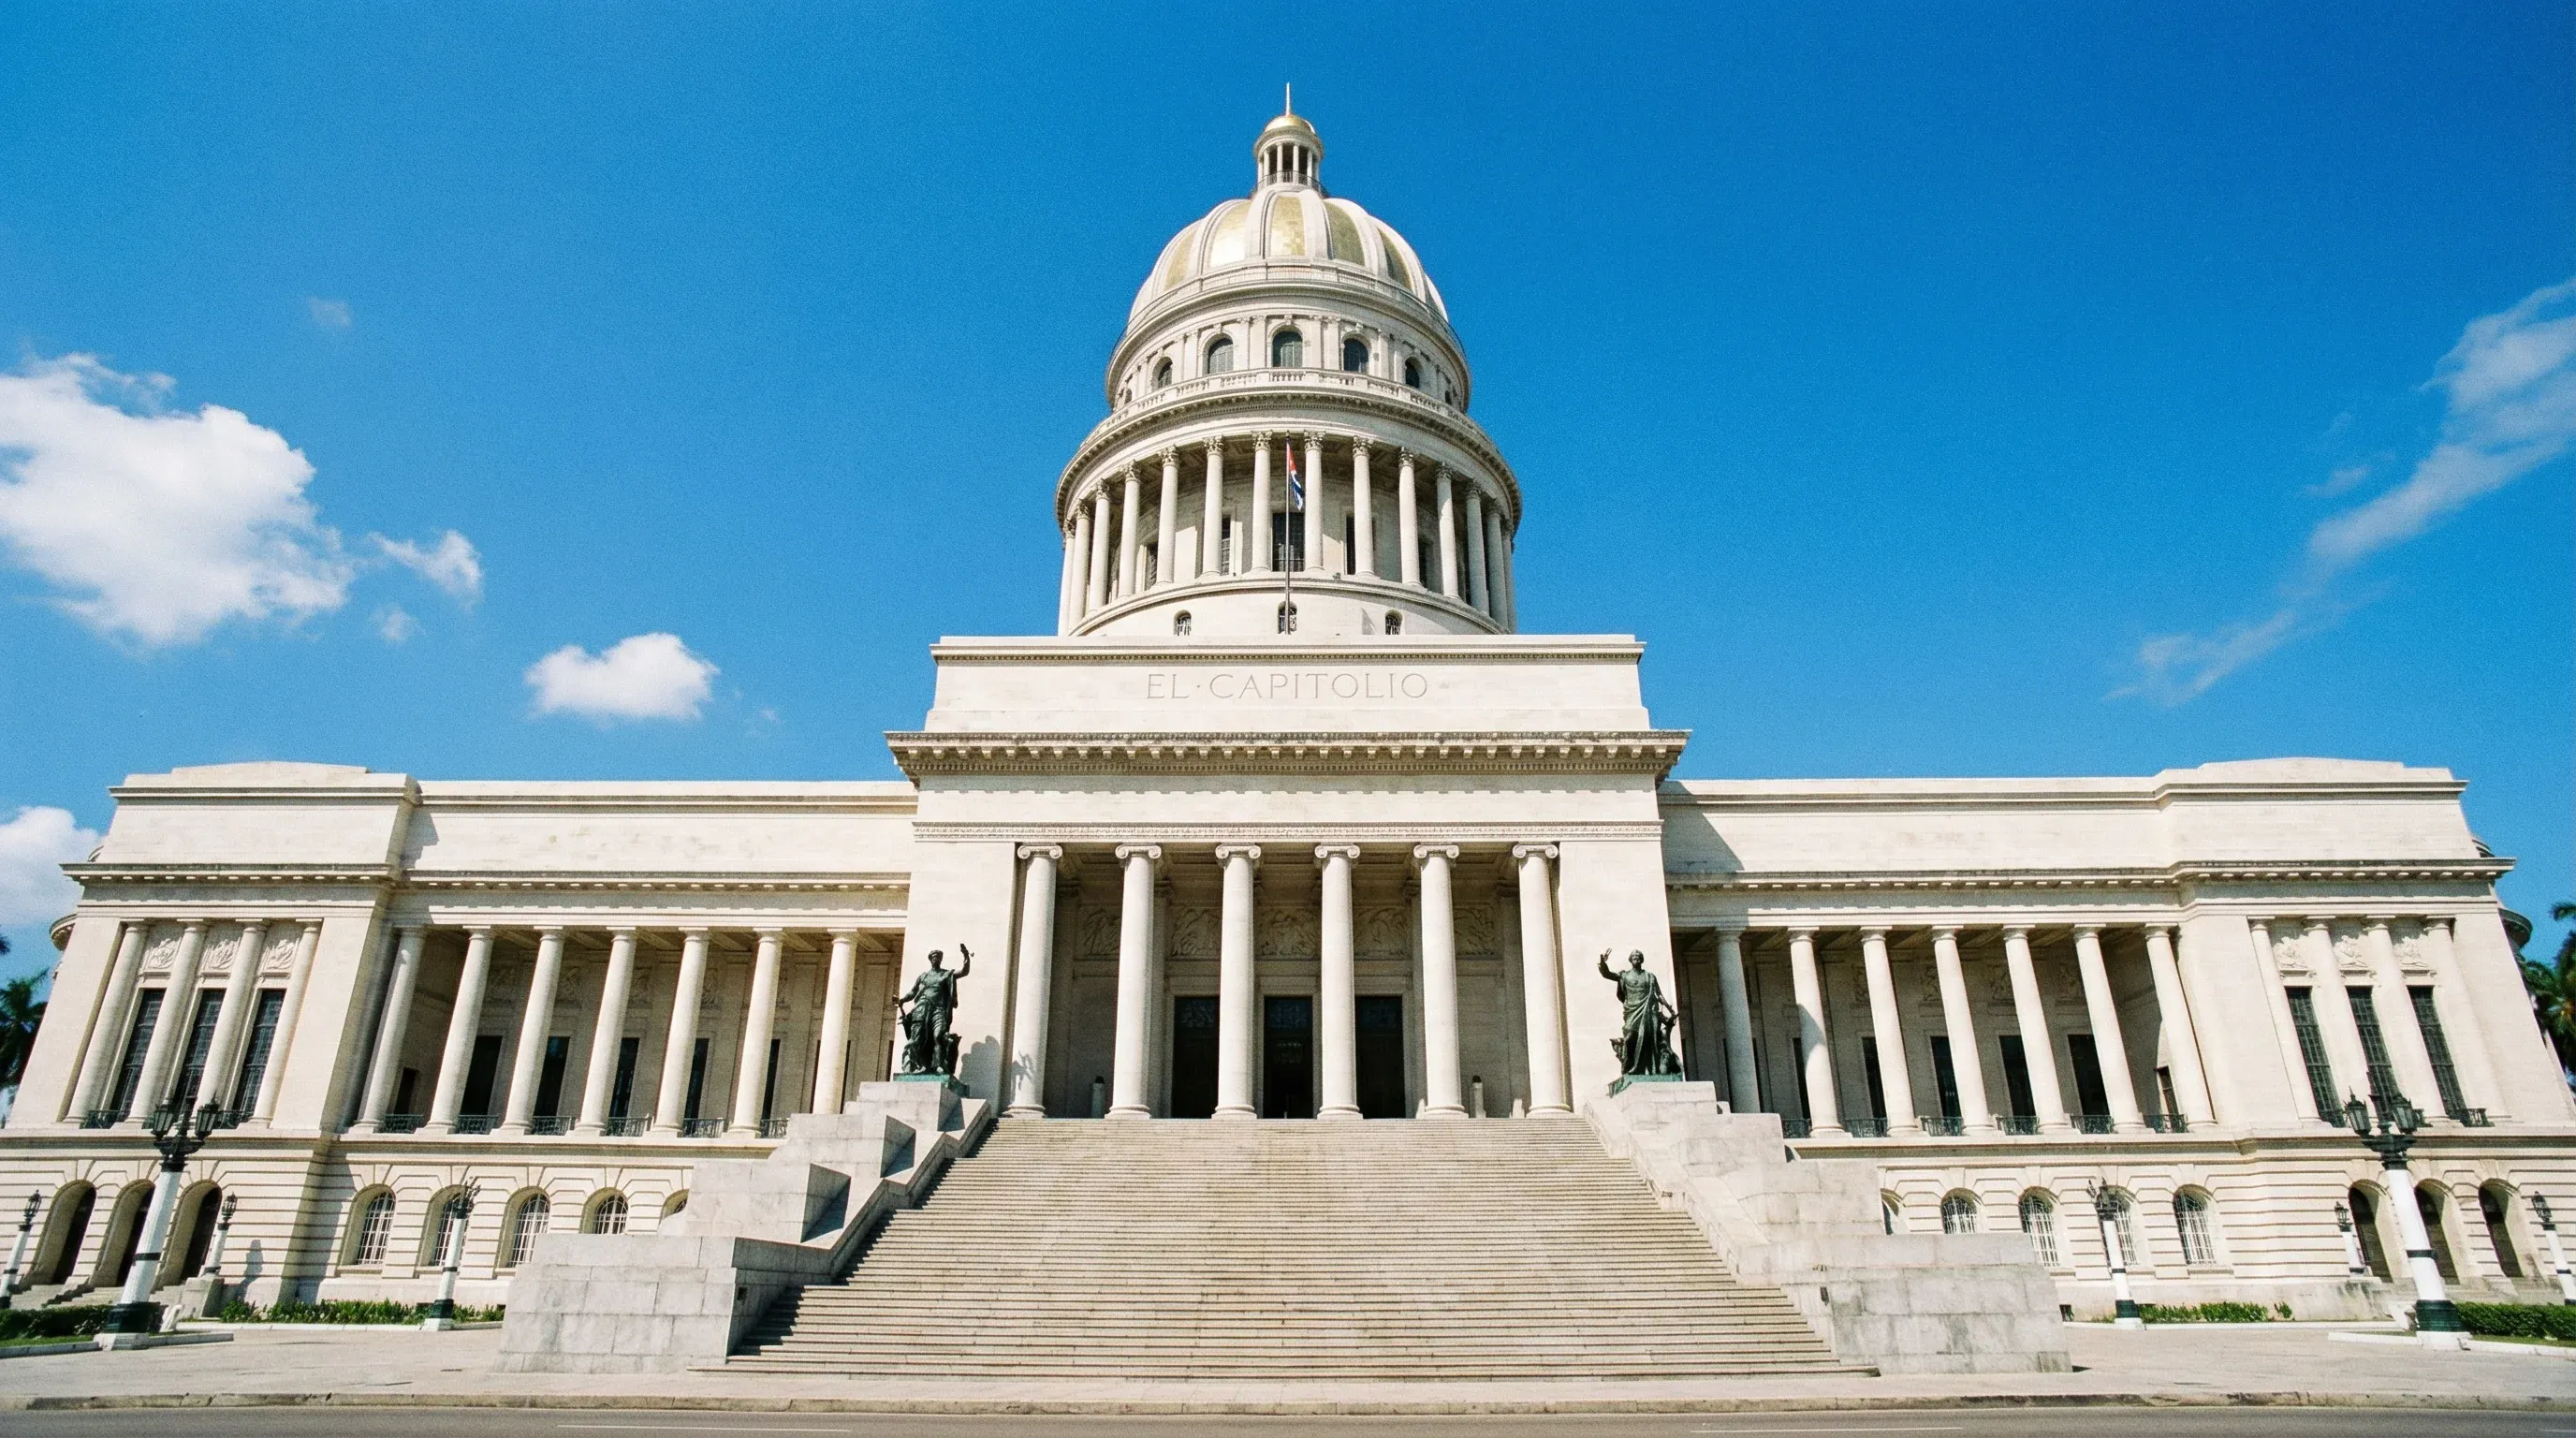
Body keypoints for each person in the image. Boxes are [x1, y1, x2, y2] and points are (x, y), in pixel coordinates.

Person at [1597, 949, 1681, 1077]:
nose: (1636, 958)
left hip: (1648, 1011)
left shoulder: (1649, 976)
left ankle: (1649, 1070)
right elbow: (1607, 974)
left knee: (1649, 1040)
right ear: (1630, 960)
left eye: (1638, 957)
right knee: (1630, 1037)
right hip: (1632, 1011)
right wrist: (1603, 963)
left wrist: (1670, 1009)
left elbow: (1658, 994)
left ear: (1642, 960)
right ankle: (1629, 1068)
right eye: (1634, 957)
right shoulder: (1624, 976)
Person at [898, 945, 972, 1077]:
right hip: (922, 1008)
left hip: (938, 1010)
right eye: (933, 957)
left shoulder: (946, 974)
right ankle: (919, 1065)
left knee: (938, 1035)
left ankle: (939, 1066)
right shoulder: (923, 976)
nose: (935, 959)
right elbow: (913, 992)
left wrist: (966, 957)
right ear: (930, 959)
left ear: (941, 959)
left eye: (938, 957)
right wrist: (902, 1000)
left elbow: (964, 972)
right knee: (917, 1038)